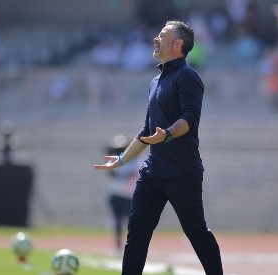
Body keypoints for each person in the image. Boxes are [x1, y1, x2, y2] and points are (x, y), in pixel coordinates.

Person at [94, 21, 223, 274]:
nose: (156, 38)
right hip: (153, 172)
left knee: (196, 231)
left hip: (183, 171)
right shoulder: (155, 80)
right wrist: (121, 159)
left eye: (163, 35)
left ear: (178, 44)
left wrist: (167, 135)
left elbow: (189, 119)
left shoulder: (188, 76)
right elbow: (145, 131)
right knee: (137, 232)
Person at [104, 134, 138, 256]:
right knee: (117, 223)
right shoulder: (115, 161)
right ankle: (118, 247)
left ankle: (132, 246)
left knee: (131, 224)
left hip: (128, 196)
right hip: (116, 195)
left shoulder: (133, 162)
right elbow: (114, 173)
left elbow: (128, 173)